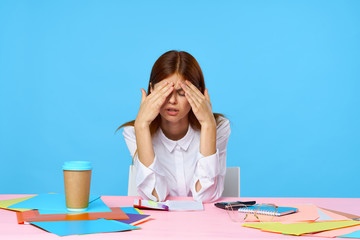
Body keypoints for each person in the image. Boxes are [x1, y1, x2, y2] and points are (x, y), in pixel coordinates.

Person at [118, 50, 230, 203]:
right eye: (165, 91)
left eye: (182, 93)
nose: (172, 100)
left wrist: (208, 124)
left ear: (198, 94)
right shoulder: (133, 132)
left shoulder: (219, 127)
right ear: (151, 89)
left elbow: (205, 196)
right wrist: (142, 126)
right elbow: (155, 197)